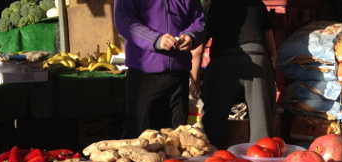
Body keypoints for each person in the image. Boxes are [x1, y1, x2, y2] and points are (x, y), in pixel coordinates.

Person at [114, 0, 206, 139]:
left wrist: (191, 36)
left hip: (178, 76)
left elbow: (199, 21)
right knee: (140, 136)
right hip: (144, 75)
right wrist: (155, 40)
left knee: (176, 138)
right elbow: (124, 19)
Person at [192, 0, 278, 150]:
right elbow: (272, 52)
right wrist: (268, 78)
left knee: (212, 122)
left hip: (224, 62)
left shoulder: (212, 4)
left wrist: (194, 80)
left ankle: (208, 159)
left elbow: (198, 50)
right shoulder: (257, 3)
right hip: (257, 57)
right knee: (262, 124)